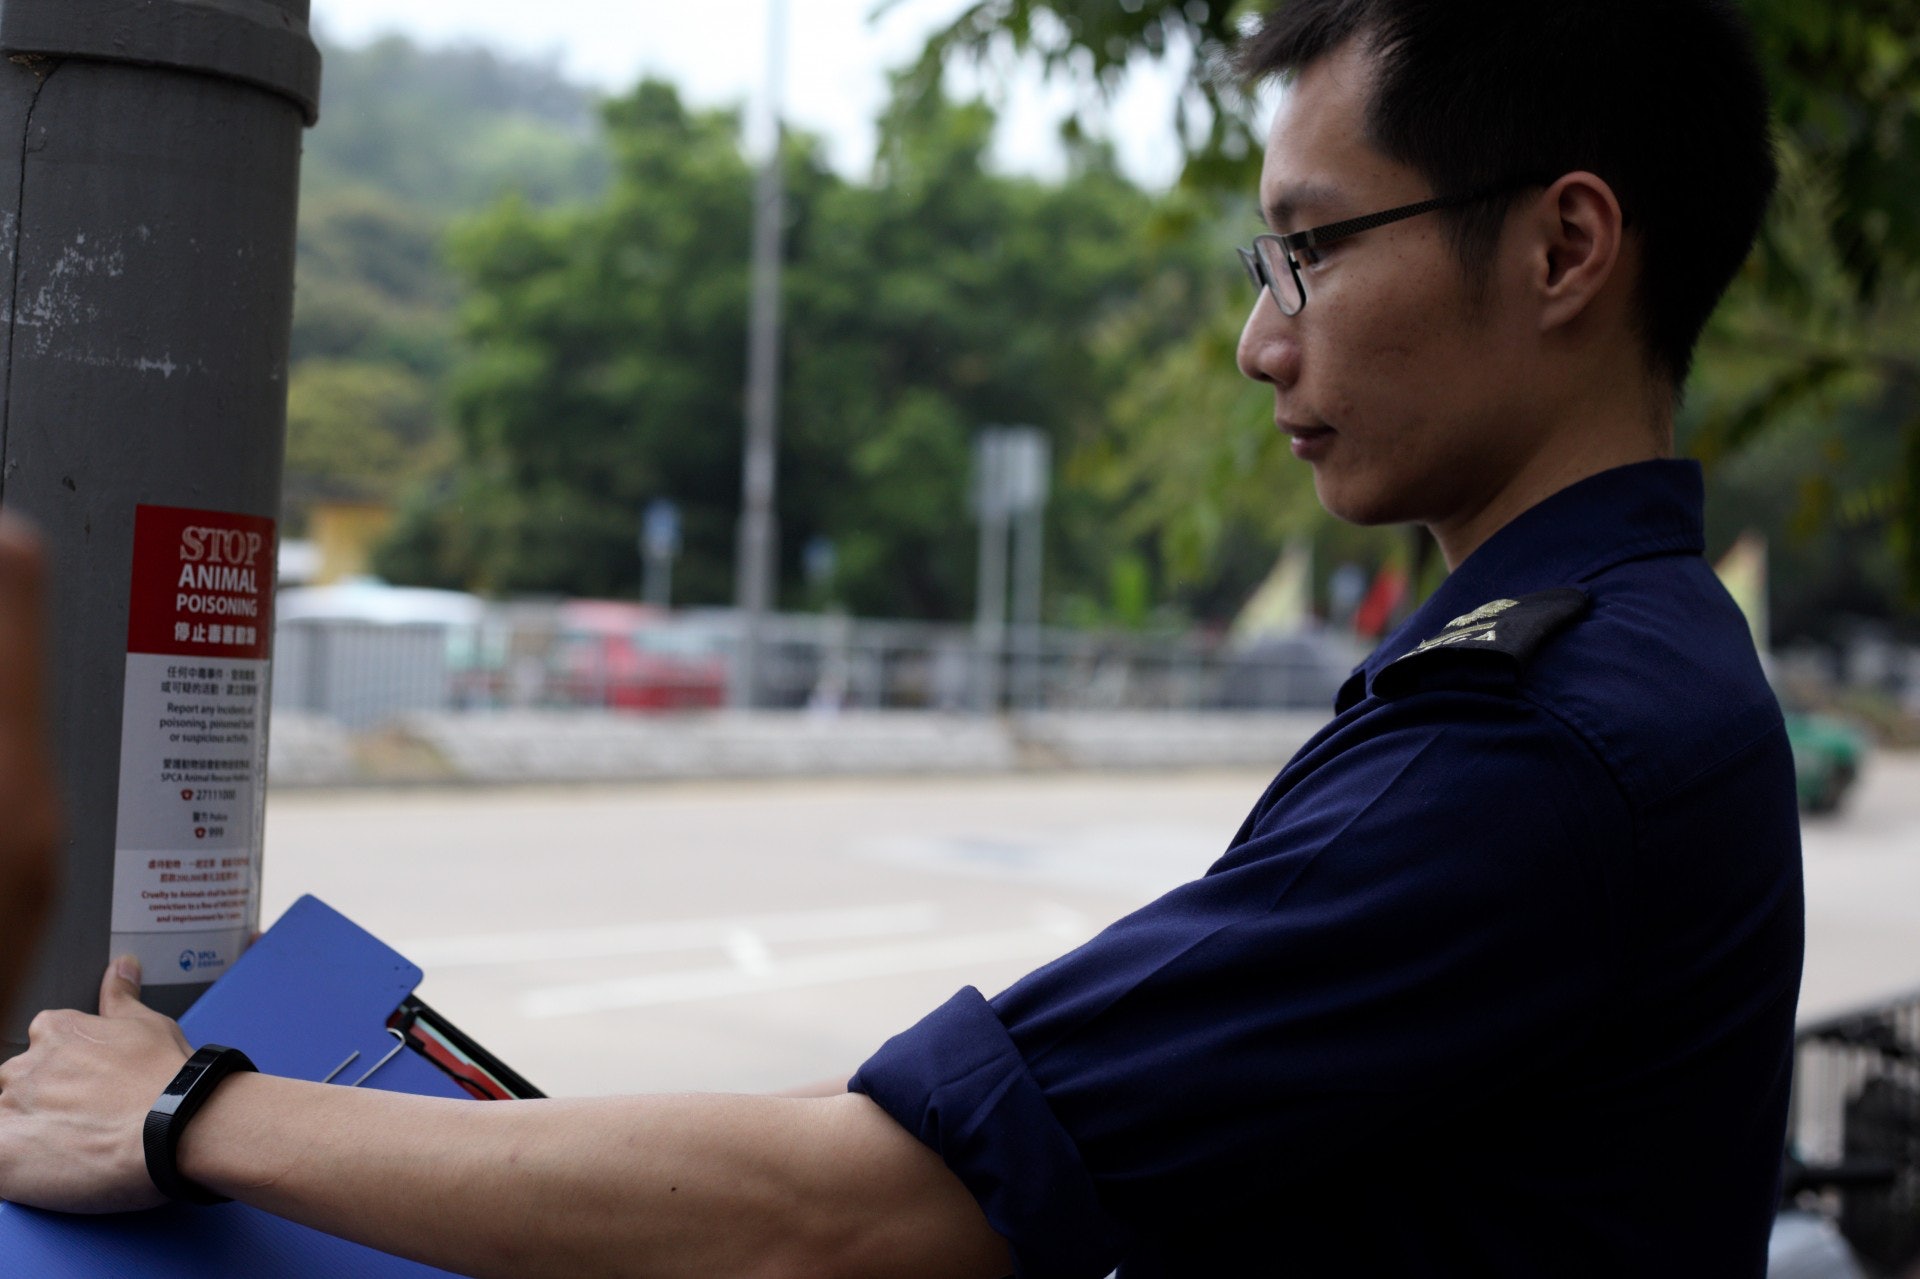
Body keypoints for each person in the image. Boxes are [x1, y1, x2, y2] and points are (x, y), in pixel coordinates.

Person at [0, 0, 1802, 1275]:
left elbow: (858, 1211)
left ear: (1566, 248)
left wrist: (187, 1114)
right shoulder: (1617, 672)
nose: (1265, 344)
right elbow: (935, 1133)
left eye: (1311, 253)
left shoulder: (1540, 744)